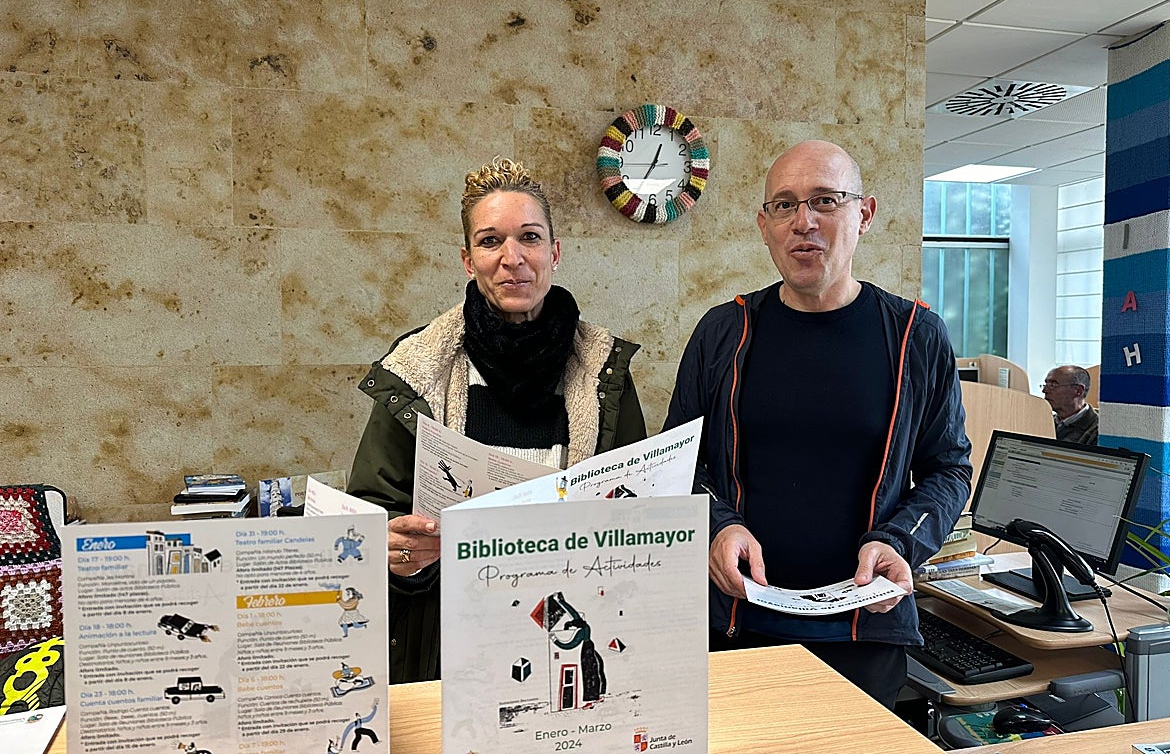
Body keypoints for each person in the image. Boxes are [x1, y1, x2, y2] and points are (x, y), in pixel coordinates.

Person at [662, 140, 972, 708]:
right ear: (764, 225)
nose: (804, 221)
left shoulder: (914, 337)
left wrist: (899, 541)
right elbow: (677, 463)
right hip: (734, 625)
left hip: (863, 630)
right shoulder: (723, 332)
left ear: (865, 214)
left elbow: (949, 470)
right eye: (784, 205)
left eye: (825, 201)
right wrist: (718, 526)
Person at [348, 157, 648, 683]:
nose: (513, 259)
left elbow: (638, 509)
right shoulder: (417, 369)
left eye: (529, 237)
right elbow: (372, 515)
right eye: (490, 242)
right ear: (468, 260)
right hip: (447, 641)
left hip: (570, 630)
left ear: (554, 253)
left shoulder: (606, 376)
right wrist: (397, 551)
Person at [1043, 365, 1098, 445]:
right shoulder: (1045, 423)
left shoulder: (1098, 432)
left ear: (1078, 391)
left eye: (1053, 385)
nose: (1044, 390)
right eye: (1046, 384)